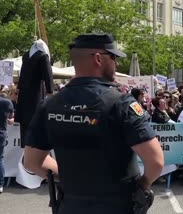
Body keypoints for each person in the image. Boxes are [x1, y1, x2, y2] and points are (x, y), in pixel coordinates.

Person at [24, 33, 164, 214]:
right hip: (117, 205)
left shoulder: (50, 105)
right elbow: (156, 161)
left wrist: (68, 178)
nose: (116, 63)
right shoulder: (121, 103)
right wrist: (142, 185)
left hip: (71, 205)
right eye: (113, 57)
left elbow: (32, 161)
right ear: (98, 58)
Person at [0, 94, 14, 194]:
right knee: (0, 159)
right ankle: (0, 184)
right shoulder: (7, 102)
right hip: (1, 133)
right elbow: (11, 116)